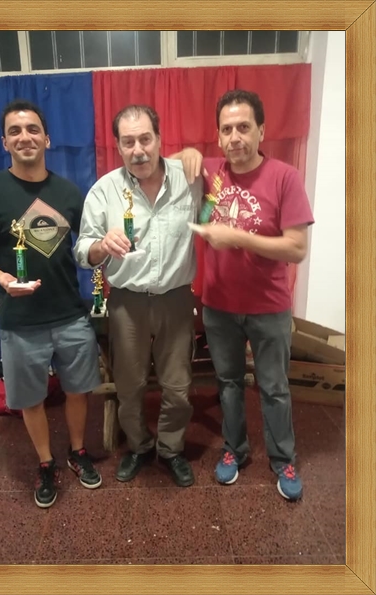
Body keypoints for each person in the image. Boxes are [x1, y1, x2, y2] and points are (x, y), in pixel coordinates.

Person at [0, 99, 102, 508]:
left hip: (71, 315)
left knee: (79, 390)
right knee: (30, 399)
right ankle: (45, 462)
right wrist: (2, 278)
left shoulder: (68, 192)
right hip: (20, 320)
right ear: (4, 142)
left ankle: (78, 451)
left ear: (47, 138)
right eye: (15, 131)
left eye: (32, 129)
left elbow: (88, 247)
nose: (24, 137)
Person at [176, 89, 314, 501]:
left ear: (261, 131)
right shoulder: (212, 172)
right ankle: (234, 449)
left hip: (268, 308)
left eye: (243, 127)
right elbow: (174, 165)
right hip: (218, 306)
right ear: (218, 136)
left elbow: (296, 248)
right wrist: (187, 152)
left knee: (274, 387)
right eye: (226, 130)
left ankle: (283, 458)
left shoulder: (285, 177)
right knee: (228, 384)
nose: (235, 137)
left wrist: (236, 237)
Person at [74, 104, 203, 487]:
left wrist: (194, 156)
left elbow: (215, 206)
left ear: (159, 139)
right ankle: (140, 446)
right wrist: (101, 246)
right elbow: (81, 250)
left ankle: (171, 449)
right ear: (117, 145)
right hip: (127, 303)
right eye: (128, 142)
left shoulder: (189, 178)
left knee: (178, 388)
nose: (138, 150)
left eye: (145, 139)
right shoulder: (104, 191)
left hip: (176, 299)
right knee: (129, 387)